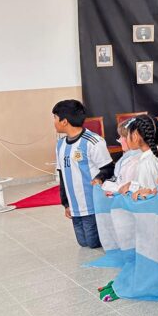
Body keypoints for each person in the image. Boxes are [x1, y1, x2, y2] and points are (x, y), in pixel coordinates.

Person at [52, 99, 113, 248]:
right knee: (83, 243)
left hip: (92, 205)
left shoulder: (93, 142)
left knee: (94, 244)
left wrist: (99, 178)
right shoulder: (60, 144)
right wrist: (65, 203)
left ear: (64, 121)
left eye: (54, 118)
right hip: (74, 206)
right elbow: (62, 175)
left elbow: (109, 168)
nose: (53, 122)